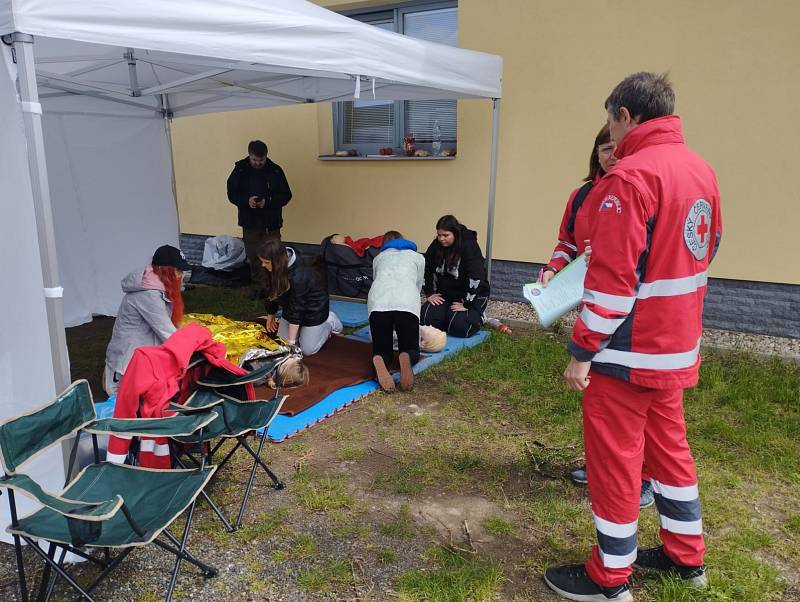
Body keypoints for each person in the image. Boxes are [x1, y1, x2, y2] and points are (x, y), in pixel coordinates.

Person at [544, 72, 722, 602]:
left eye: (613, 124)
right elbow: (707, 248)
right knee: (670, 455)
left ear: (625, 115)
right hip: (676, 345)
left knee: (616, 461)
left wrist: (582, 351)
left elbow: (613, 284)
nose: (612, 140)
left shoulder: (630, 178)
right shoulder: (701, 170)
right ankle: (686, 558)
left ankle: (610, 576)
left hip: (626, 351)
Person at [543, 125, 654, 509]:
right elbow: (566, 242)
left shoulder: (634, 190)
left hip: (631, 309)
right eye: (606, 148)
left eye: (618, 148)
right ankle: (605, 466)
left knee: (631, 401)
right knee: (602, 398)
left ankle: (641, 478)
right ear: (596, 153)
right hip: (593, 303)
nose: (613, 155)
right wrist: (553, 270)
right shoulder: (584, 195)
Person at [103, 244, 190, 396]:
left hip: (140, 359)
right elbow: (167, 333)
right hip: (124, 369)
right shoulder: (148, 294)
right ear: (166, 270)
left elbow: (170, 327)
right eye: (178, 271)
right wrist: (196, 349)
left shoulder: (158, 286)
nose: (180, 276)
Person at [227, 140, 292, 295]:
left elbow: (286, 195)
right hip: (250, 223)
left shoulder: (275, 171)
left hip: (271, 223)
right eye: (255, 160)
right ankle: (260, 287)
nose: (258, 163)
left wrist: (267, 202)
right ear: (249, 155)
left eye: (261, 160)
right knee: (254, 256)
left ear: (266, 156)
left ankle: (278, 286)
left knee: (274, 255)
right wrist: (246, 201)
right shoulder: (240, 170)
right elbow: (232, 194)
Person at [259, 238, 341, 356]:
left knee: (307, 350)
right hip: (290, 307)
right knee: (282, 344)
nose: (263, 265)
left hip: (313, 310)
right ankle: (299, 333)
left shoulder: (300, 274)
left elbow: (297, 307)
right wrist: (270, 313)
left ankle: (329, 321)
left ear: (277, 261)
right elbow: (269, 289)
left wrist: (291, 344)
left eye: (266, 262)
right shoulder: (274, 266)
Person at [367, 230, 426, 392]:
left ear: (384, 246)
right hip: (406, 303)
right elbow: (418, 285)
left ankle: (379, 357)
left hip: (378, 304)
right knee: (411, 348)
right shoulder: (418, 258)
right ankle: (406, 355)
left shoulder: (379, 258)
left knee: (381, 349)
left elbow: (376, 279)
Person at [421, 215, 490, 338]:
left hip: (470, 295)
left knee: (459, 327)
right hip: (447, 293)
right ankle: (447, 315)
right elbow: (425, 266)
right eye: (439, 235)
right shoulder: (436, 244)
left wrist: (468, 303)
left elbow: (476, 275)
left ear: (455, 233)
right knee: (428, 320)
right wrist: (429, 293)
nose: (441, 239)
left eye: (446, 235)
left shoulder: (469, 245)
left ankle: (480, 317)